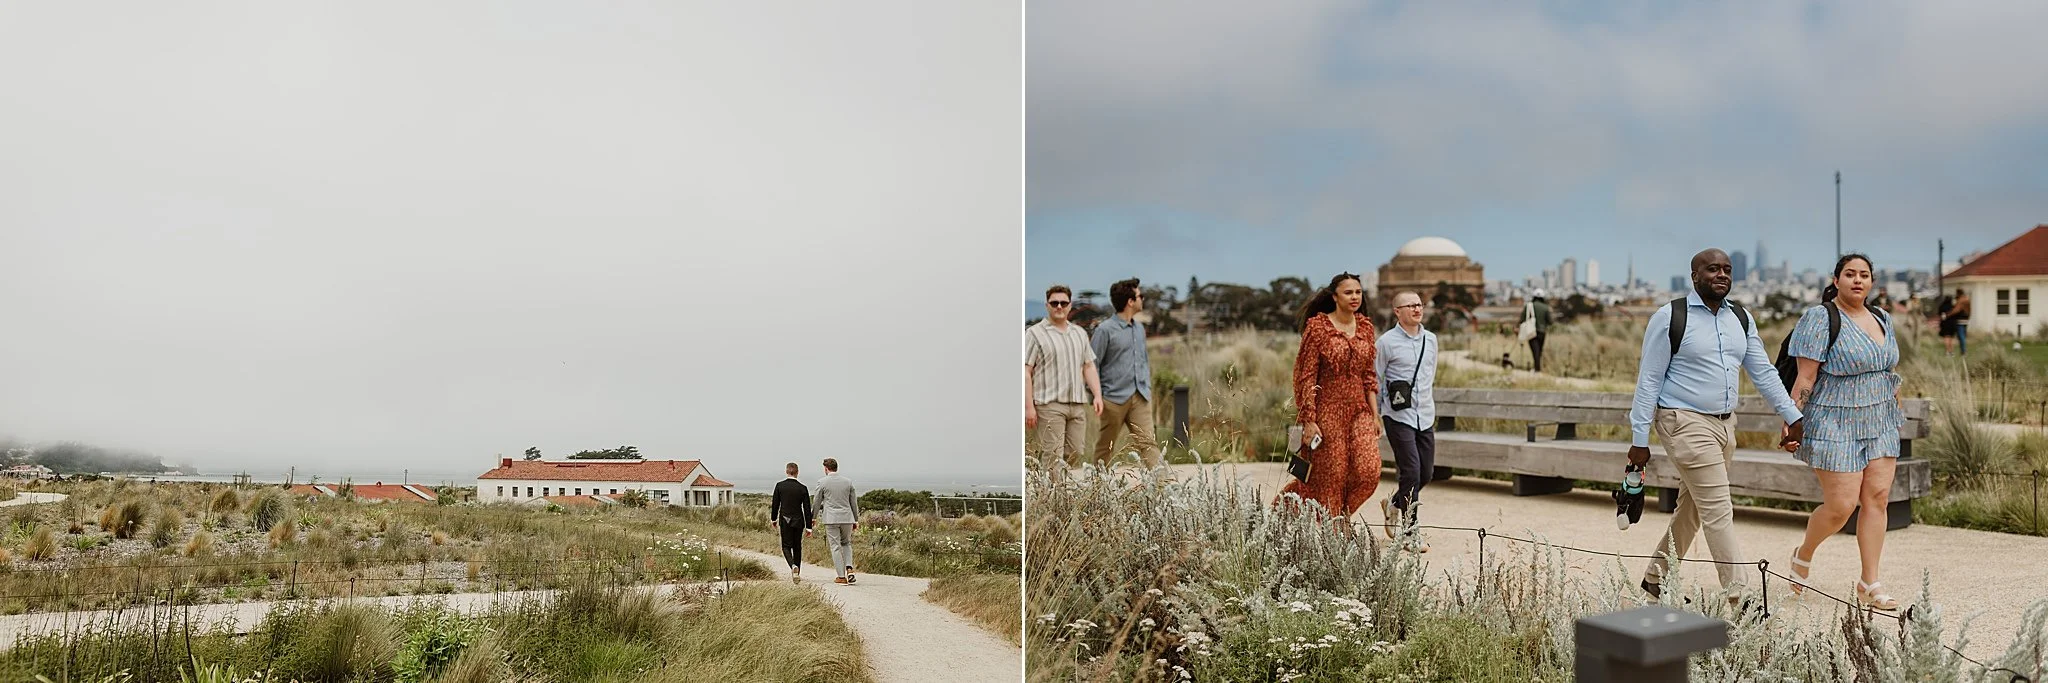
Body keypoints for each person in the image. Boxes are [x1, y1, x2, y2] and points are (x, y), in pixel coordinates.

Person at [1627, 249, 1804, 604]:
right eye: (1712, 269)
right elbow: (1648, 381)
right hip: (1683, 423)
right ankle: (1742, 601)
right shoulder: (1670, 317)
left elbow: (1763, 372)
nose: (1721, 275)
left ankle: (1654, 581)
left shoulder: (1740, 317)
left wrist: (1792, 414)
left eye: (1727, 269)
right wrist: (1639, 439)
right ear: (1695, 276)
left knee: (1692, 510)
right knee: (1719, 509)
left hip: (1725, 426)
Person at [1782, 254, 1905, 611]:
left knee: (1877, 498)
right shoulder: (1820, 318)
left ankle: (1870, 581)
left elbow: (1889, 368)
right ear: (1836, 280)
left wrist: (1897, 409)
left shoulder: (1883, 318)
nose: (1857, 280)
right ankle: (1803, 553)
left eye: (1864, 275)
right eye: (1849, 274)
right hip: (1834, 421)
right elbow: (1806, 378)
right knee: (1840, 506)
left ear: (1872, 282)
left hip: (1881, 419)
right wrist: (1793, 419)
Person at [1281, 272, 1382, 524]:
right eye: (1348, 292)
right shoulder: (1318, 328)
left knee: (1368, 471)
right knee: (1331, 475)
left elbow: (1368, 375)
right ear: (1335, 296)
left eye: (1358, 292)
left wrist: (1375, 414)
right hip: (1327, 411)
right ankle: (1332, 530)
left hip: (1359, 410)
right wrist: (1308, 420)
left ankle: (1339, 517)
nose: (1355, 297)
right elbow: (1306, 376)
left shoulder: (1366, 328)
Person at [1376, 291, 1437, 552]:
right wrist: (1376, 415)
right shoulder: (1386, 342)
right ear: (1397, 311)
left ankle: (1394, 503)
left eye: (1419, 304)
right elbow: (1376, 380)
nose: (1416, 309)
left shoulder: (1431, 340)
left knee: (1426, 473)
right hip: (1398, 416)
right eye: (1410, 305)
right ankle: (1410, 534)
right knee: (1410, 471)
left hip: (1425, 414)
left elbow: (1429, 376)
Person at [1026, 285, 1104, 481]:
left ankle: (1052, 486)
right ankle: (1052, 499)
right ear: (1047, 305)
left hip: (1077, 403)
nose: (1059, 306)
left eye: (1063, 303)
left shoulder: (1079, 333)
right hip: (1049, 404)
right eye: (1054, 303)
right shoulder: (1034, 334)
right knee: (1053, 456)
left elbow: (1088, 366)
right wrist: (1029, 408)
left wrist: (1097, 395)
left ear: (1070, 306)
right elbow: (1025, 371)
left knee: (1076, 450)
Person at [1091, 278, 1162, 470]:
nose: (1142, 299)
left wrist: (1146, 385)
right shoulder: (1104, 330)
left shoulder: (1139, 329)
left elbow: (1143, 360)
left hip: (1140, 397)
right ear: (1130, 302)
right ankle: (1098, 487)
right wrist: (1097, 396)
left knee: (1148, 444)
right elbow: (1091, 364)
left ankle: (1167, 490)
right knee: (1106, 447)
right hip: (1113, 399)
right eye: (1139, 296)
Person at [813, 458, 861, 584]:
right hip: (847, 518)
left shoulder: (822, 482)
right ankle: (849, 568)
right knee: (846, 543)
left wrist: (813, 517)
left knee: (835, 546)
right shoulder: (848, 482)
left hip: (831, 518)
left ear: (826, 468)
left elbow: (817, 502)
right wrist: (855, 519)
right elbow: (853, 503)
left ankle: (841, 576)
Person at [768, 462, 814, 584]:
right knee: (797, 546)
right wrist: (809, 527)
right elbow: (807, 509)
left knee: (786, 546)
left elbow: (775, 504)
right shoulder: (802, 488)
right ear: (797, 472)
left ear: (786, 471)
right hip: (799, 521)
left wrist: (773, 519)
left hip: (785, 519)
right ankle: (797, 572)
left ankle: (793, 566)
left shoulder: (779, 486)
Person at [1520, 290, 1553, 372]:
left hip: (1531, 331)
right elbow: (1550, 321)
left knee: (1535, 350)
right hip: (1542, 332)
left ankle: (1537, 368)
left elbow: (1522, 319)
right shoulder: (1546, 307)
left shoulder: (1529, 306)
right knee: (1539, 350)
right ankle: (1537, 367)